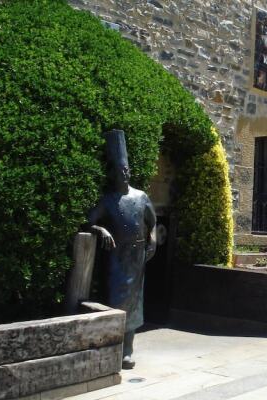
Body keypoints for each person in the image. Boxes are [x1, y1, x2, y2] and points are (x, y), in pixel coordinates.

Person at [87, 129, 157, 369]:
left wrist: (153, 239)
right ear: (113, 175)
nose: (124, 175)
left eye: (126, 171)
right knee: (116, 301)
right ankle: (113, 347)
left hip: (137, 257)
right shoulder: (108, 200)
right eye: (119, 172)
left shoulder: (141, 196)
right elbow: (89, 220)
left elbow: (153, 222)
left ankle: (128, 351)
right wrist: (100, 230)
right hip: (117, 257)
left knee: (135, 304)